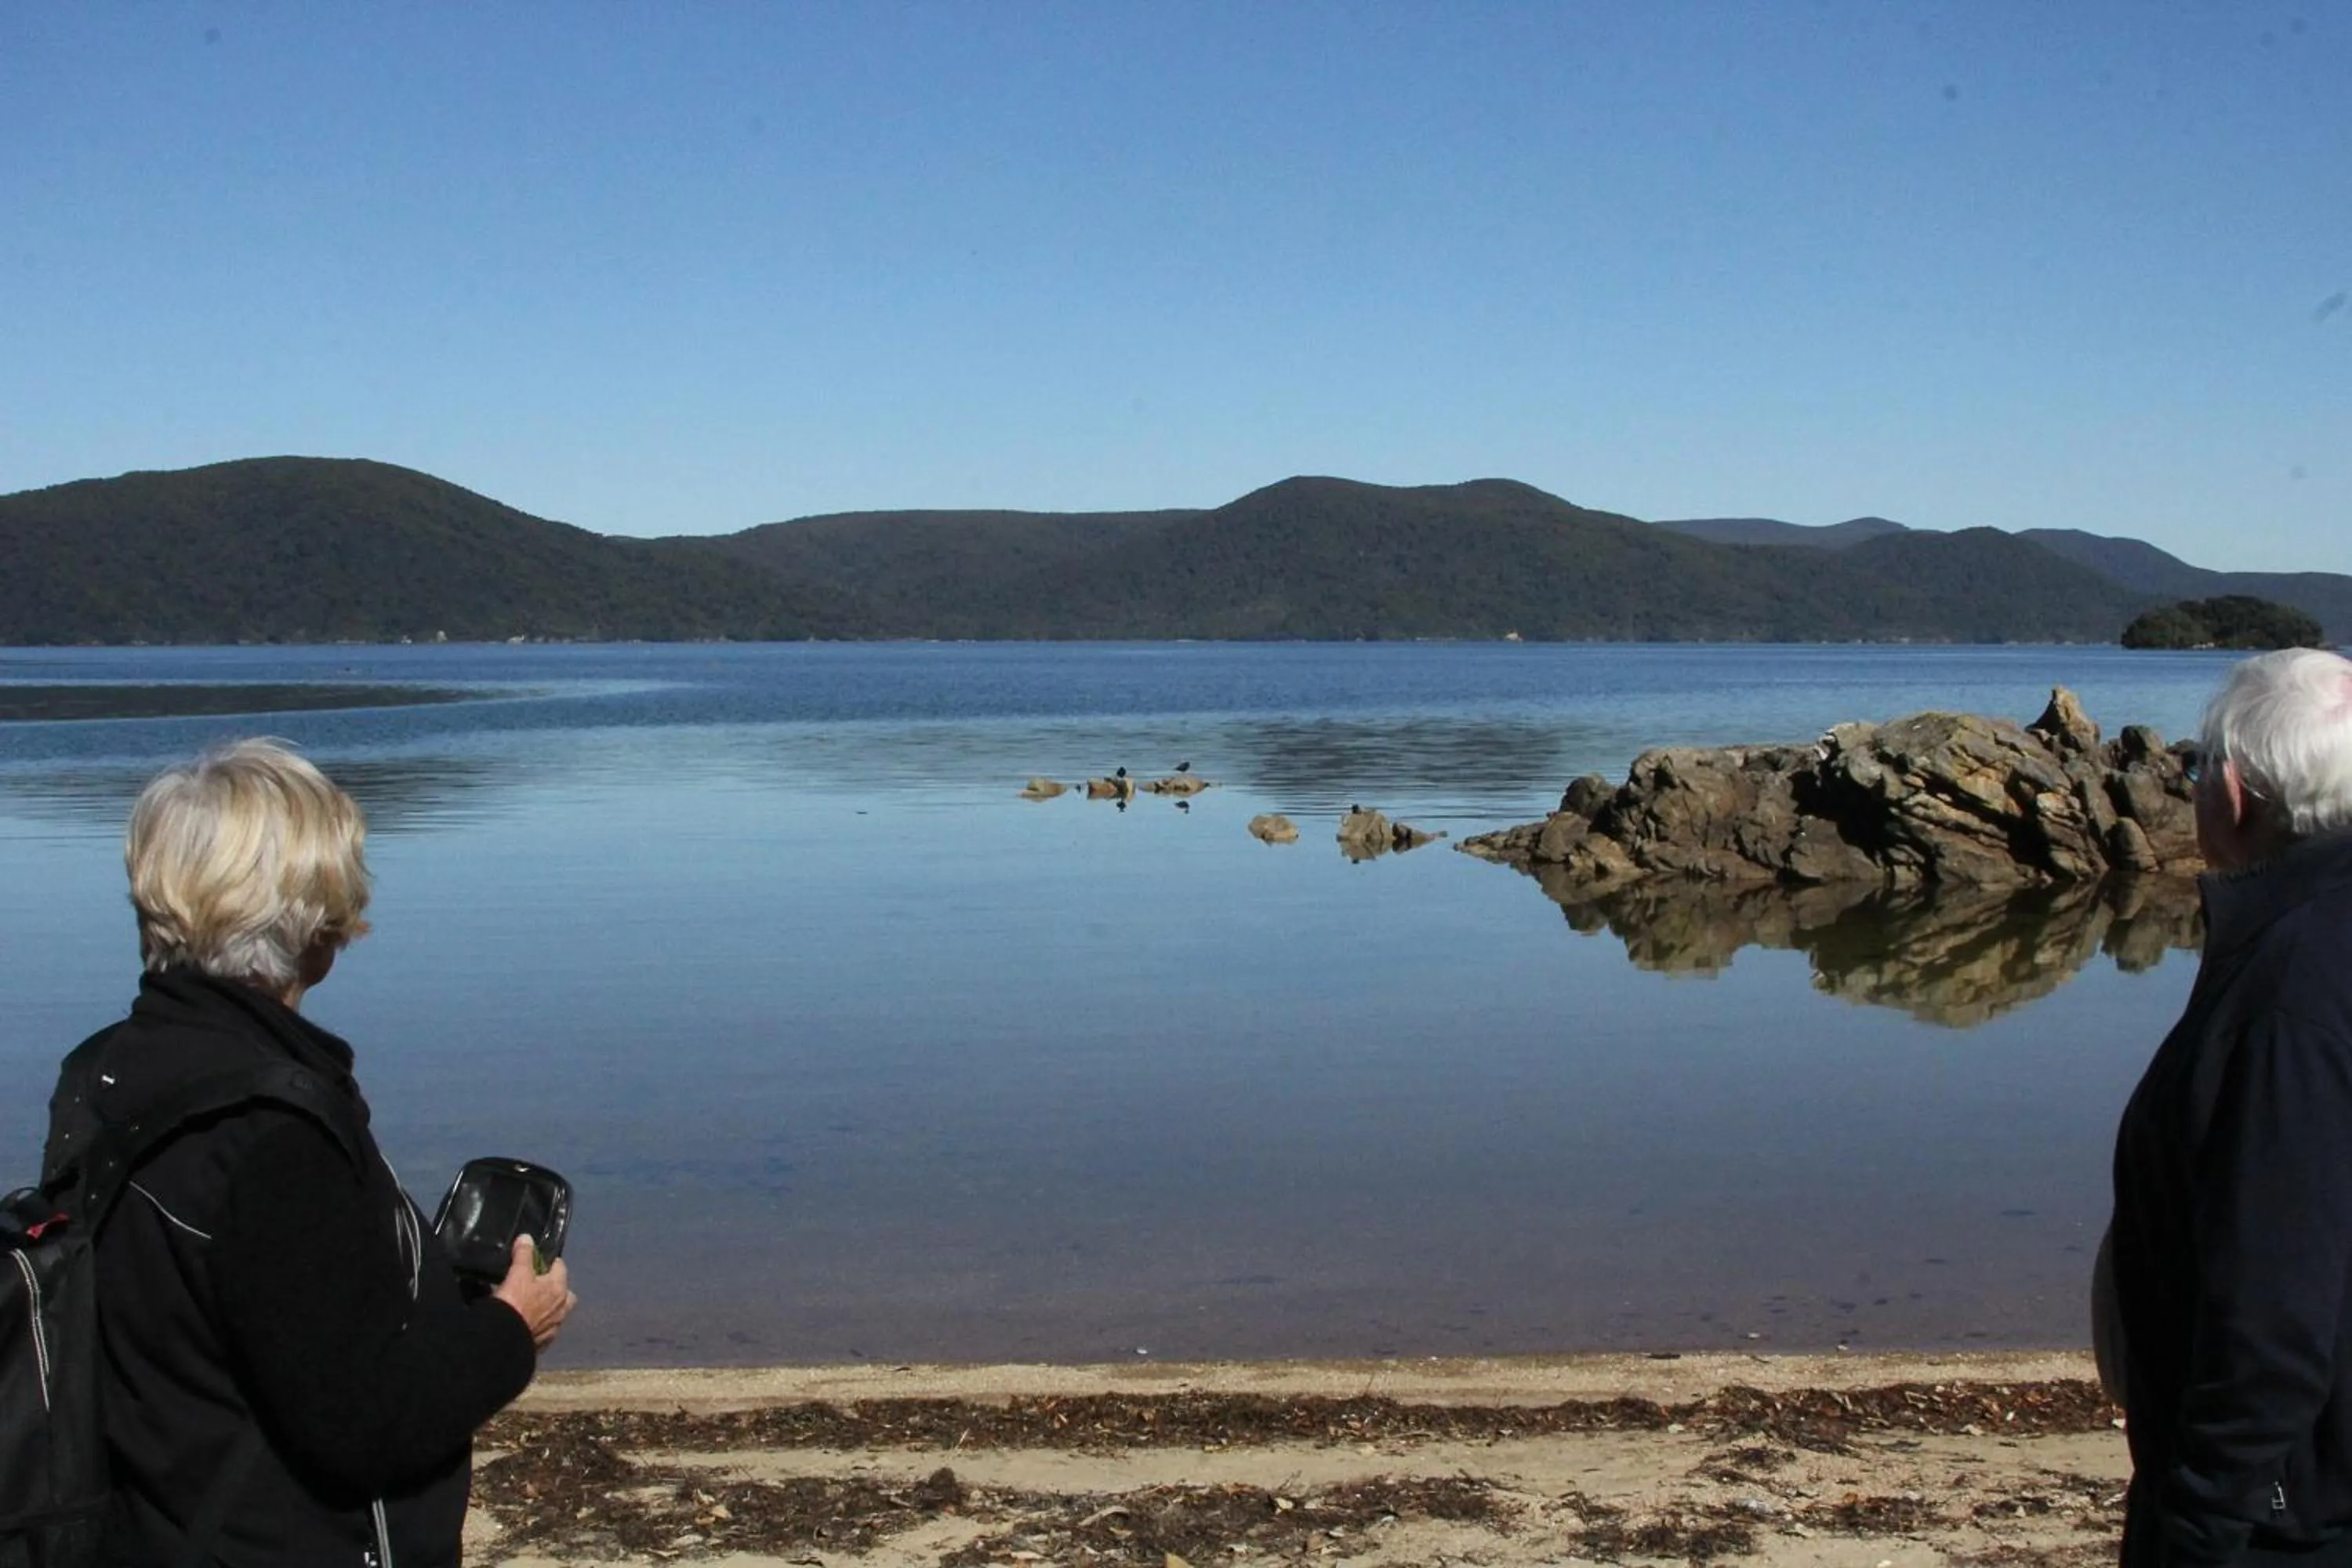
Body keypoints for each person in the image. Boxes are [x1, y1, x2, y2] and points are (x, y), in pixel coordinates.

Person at [60, 739, 576, 1566]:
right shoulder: (273, 1133)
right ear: (317, 926)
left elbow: (227, 1330)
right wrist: (512, 1329)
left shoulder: (102, 1076)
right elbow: (363, 1427)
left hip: (145, 1527)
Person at [2111, 647, 2352, 1567]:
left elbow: (2274, 1313)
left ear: (2237, 790)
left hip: (2285, 1519)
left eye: (2195, 764)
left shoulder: (2294, 990)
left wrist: (2198, 1527)